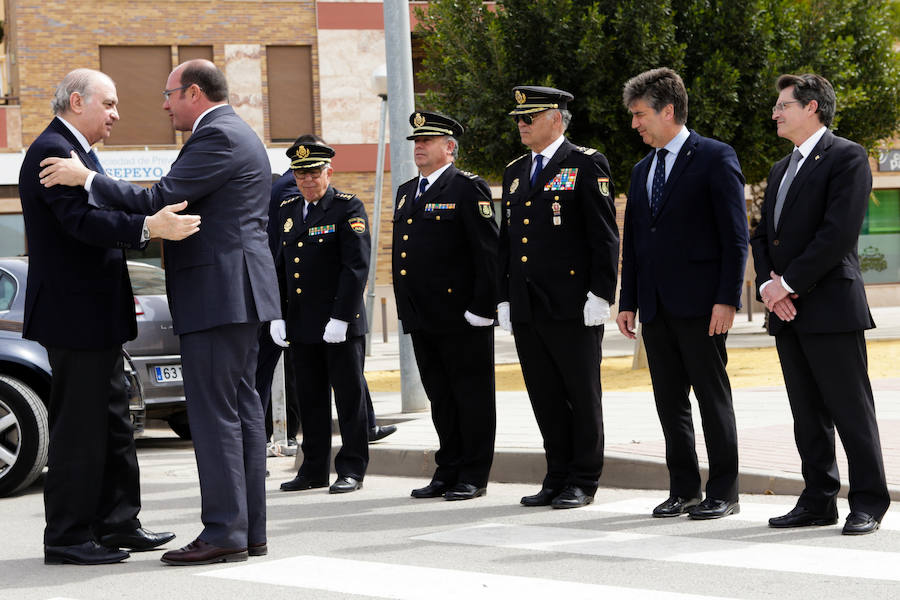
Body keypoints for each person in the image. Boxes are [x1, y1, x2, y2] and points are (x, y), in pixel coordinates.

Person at [39, 59, 281, 563]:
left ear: (194, 93)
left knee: (217, 418)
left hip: (219, 295)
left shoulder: (217, 136)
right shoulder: (236, 133)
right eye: (110, 103)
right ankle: (247, 530)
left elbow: (161, 197)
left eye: (169, 95)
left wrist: (87, 179)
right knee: (242, 412)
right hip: (234, 293)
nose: (164, 105)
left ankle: (224, 533)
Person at [21, 68, 191, 565]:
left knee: (115, 422)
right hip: (74, 317)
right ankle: (69, 537)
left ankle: (118, 523)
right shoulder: (51, 150)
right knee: (80, 428)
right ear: (78, 102)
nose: (117, 114)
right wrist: (147, 226)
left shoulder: (80, 153)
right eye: (110, 104)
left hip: (98, 315)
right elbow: (80, 223)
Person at [752, 73, 890, 535]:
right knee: (806, 413)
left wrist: (786, 285)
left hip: (830, 307)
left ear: (811, 107)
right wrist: (769, 289)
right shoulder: (778, 169)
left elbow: (837, 235)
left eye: (782, 105)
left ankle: (868, 501)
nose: (775, 113)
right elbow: (762, 235)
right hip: (787, 311)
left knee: (851, 410)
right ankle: (818, 499)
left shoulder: (847, 157)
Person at [617, 68, 748, 520]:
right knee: (669, 402)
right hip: (654, 308)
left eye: (640, 115)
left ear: (667, 110)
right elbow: (634, 241)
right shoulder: (640, 170)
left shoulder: (715, 156)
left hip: (702, 307)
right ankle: (684, 490)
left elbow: (735, 237)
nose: (635, 124)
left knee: (712, 400)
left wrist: (727, 299)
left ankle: (724, 492)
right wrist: (628, 301)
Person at [497, 86, 619, 509]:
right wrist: (505, 297)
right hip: (529, 304)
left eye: (528, 117)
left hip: (573, 304)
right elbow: (508, 241)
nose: (521, 125)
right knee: (545, 395)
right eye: (518, 118)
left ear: (556, 118)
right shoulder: (515, 171)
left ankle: (583, 478)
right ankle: (557, 474)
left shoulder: (585, 163)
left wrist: (601, 294)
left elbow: (604, 237)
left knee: (581, 395)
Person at [393, 111, 498, 501]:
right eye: (416, 142)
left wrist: (482, 307)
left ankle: (473, 473)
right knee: (441, 397)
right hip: (424, 316)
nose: (418, 147)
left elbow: (487, 253)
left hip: (462, 316)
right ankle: (448, 468)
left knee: (471, 396)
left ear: (449, 147)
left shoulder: (468, 188)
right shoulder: (407, 191)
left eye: (427, 141)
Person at [269, 142, 372, 495]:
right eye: (301, 173)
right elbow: (280, 266)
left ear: (329, 171)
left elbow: (355, 266)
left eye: (314, 172)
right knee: (310, 399)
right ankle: (313, 469)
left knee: (348, 397)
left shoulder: (347, 207)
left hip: (338, 324)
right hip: (301, 323)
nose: (308, 179)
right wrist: (276, 315)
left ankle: (352, 468)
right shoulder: (287, 209)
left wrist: (341, 317)